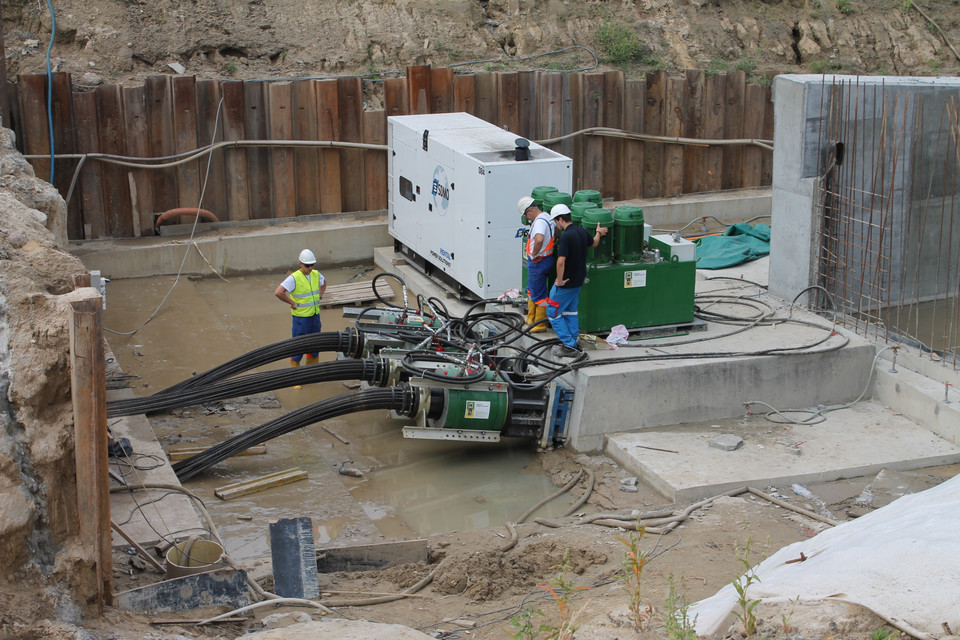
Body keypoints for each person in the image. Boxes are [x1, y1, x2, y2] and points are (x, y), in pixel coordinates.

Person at [546, 206, 608, 358]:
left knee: (552, 312)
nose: (556, 225)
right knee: (570, 312)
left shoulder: (566, 237)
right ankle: (573, 341)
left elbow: (561, 262)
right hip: (578, 282)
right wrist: (599, 233)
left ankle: (569, 345)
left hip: (565, 284)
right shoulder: (581, 231)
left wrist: (559, 281)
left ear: (560, 219)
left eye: (556, 221)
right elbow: (594, 243)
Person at [274, 249, 327, 373]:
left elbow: (324, 283)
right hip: (301, 320)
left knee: (315, 346)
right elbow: (278, 292)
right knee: (298, 347)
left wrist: (320, 295)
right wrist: (292, 303)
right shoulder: (294, 278)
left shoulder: (316, 274)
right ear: (300, 264)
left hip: (315, 317)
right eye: (307, 265)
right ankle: (296, 376)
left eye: (312, 265)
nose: (310, 268)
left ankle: (311, 373)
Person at [518, 196, 557, 333]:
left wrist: (534, 254)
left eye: (526, 215)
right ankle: (531, 318)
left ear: (529, 211)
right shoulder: (547, 217)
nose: (527, 218)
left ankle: (539, 324)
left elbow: (539, 239)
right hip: (546, 259)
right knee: (532, 289)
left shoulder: (539, 222)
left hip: (538, 261)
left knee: (539, 294)